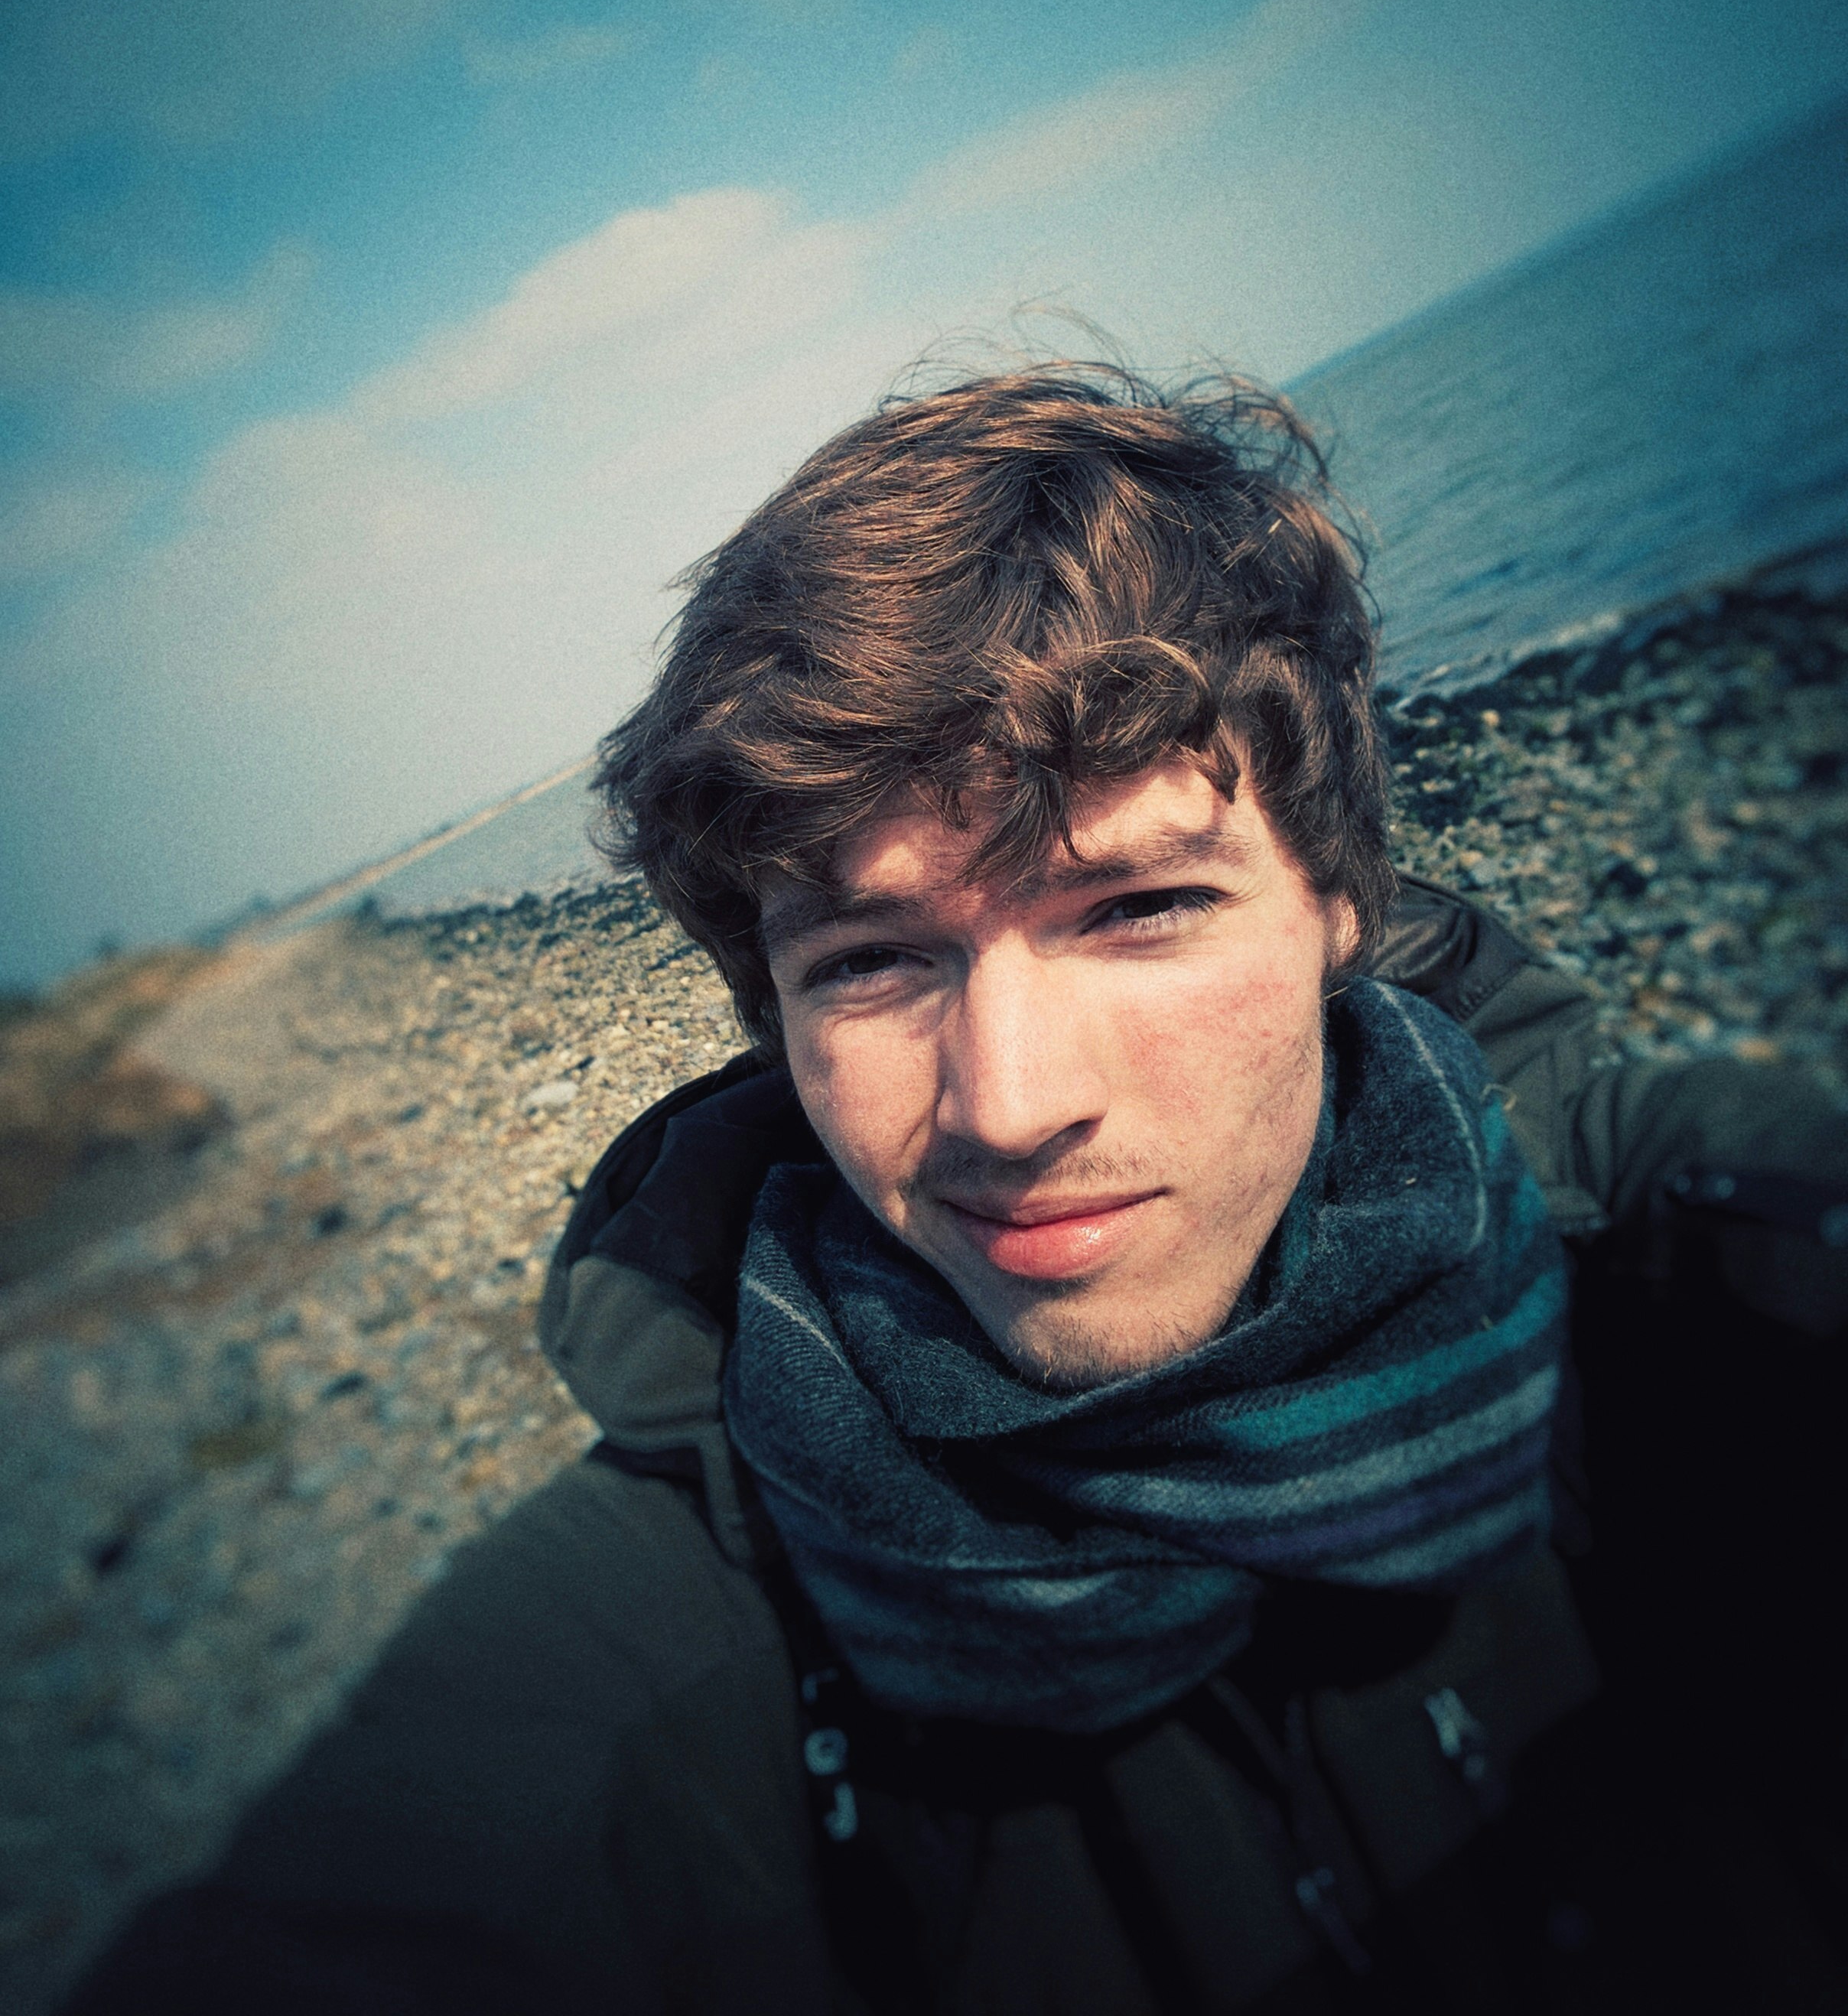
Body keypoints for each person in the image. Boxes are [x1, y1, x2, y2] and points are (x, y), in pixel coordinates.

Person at [70, 369, 1846, 2014]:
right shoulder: (661, 1630)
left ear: (1335, 904)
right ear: (769, 1017)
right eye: (871, 959)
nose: (1009, 1104)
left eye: (1136, 908)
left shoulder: (1666, 1260)